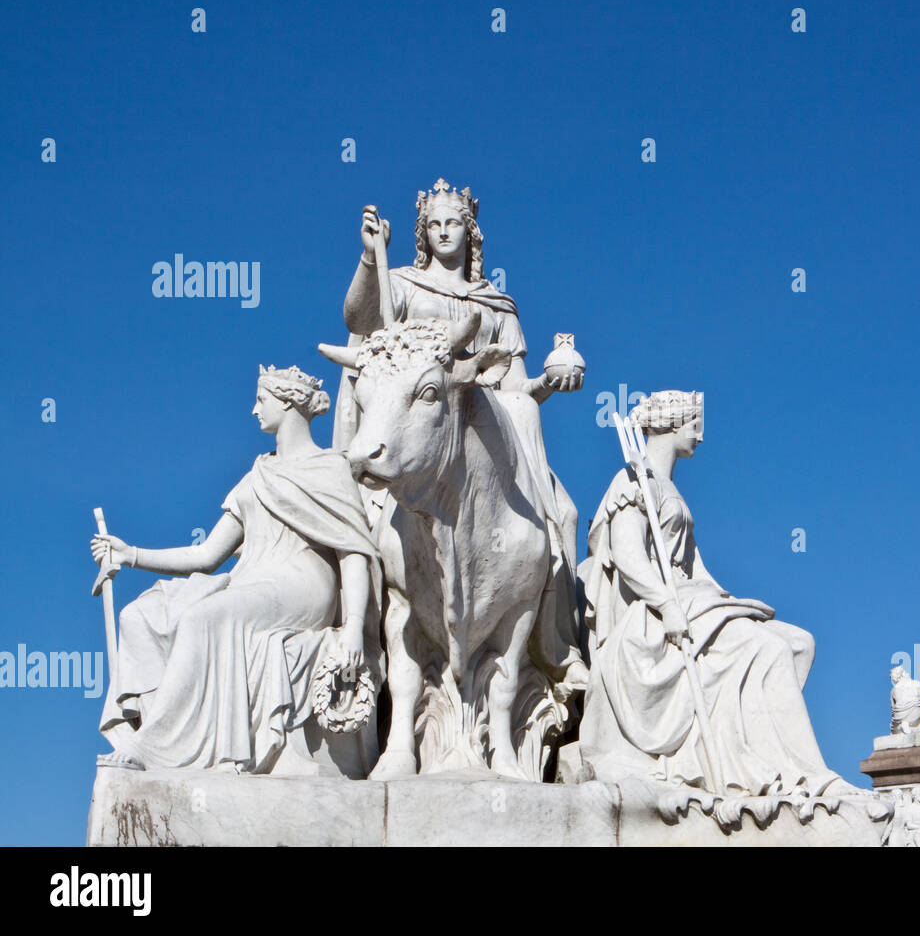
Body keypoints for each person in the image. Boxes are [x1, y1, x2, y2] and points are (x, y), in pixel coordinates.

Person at [336, 180, 586, 687]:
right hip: (418, 422)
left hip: (487, 421)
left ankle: (559, 635)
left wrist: (546, 383)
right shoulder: (400, 281)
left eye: (453, 223)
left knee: (558, 493)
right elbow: (360, 321)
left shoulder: (497, 304)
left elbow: (515, 384)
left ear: (470, 233)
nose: (443, 231)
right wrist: (368, 260)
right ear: (422, 234)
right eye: (434, 224)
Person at [91, 366, 381, 774]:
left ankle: (156, 747)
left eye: (261, 400)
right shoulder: (256, 477)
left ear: (286, 402)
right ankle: (169, 734)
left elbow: (353, 553)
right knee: (141, 615)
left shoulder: (329, 468)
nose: (253, 410)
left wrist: (352, 627)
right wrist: (131, 554)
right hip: (252, 580)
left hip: (303, 585)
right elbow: (206, 555)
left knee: (203, 617)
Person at [577, 391, 856, 799]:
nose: (700, 437)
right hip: (655, 617)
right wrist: (668, 605)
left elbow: (694, 569)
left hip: (696, 602)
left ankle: (770, 762)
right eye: (695, 425)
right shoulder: (632, 481)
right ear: (672, 424)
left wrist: (726, 602)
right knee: (770, 650)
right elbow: (629, 558)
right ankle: (801, 776)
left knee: (799, 643)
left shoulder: (669, 489)